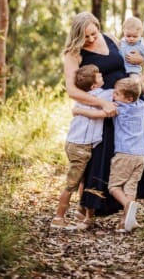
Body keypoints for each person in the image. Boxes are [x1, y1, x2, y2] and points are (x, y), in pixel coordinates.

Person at [63, 11, 144, 226]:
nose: (92, 39)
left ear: (98, 26)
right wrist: (102, 104)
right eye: (86, 37)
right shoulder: (73, 53)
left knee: (131, 154)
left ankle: (127, 216)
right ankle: (89, 212)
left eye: (94, 33)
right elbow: (72, 90)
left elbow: (131, 63)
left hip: (128, 106)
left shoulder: (113, 39)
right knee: (101, 159)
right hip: (105, 109)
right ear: (77, 36)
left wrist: (140, 60)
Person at [75, 77, 144, 233]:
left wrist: (78, 110)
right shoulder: (141, 106)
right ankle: (127, 221)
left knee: (113, 187)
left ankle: (127, 205)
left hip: (124, 155)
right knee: (130, 187)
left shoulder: (118, 107)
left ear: (128, 98)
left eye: (117, 94)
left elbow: (98, 115)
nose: (114, 96)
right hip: (141, 156)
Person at [50, 64, 113, 230]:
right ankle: (58, 217)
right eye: (99, 75)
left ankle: (81, 211)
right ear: (93, 86)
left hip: (75, 144)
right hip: (80, 147)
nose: (102, 76)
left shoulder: (81, 97)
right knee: (72, 183)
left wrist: (78, 110)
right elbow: (113, 97)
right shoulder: (101, 95)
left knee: (83, 181)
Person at [119, 16, 144, 105]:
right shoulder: (122, 42)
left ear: (141, 34)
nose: (131, 38)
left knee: (135, 83)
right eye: (128, 36)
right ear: (124, 32)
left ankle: (143, 97)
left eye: (135, 36)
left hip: (133, 70)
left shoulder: (141, 45)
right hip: (122, 69)